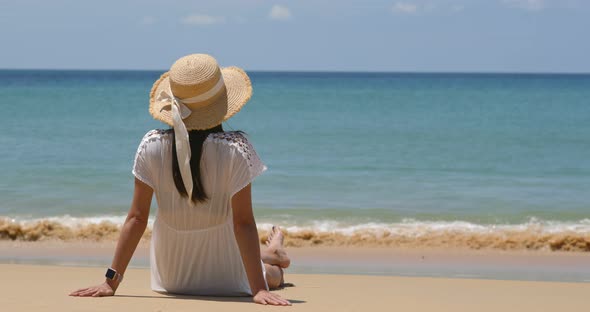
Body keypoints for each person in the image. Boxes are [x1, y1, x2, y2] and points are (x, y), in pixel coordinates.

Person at [69, 54, 292, 306]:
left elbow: (137, 218)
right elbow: (242, 225)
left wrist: (110, 281)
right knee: (274, 275)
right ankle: (274, 254)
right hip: (228, 278)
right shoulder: (236, 149)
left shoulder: (151, 145)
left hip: (171, 278)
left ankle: (273, 252)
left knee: (255, 260)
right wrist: (258, 289)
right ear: (221, 104)